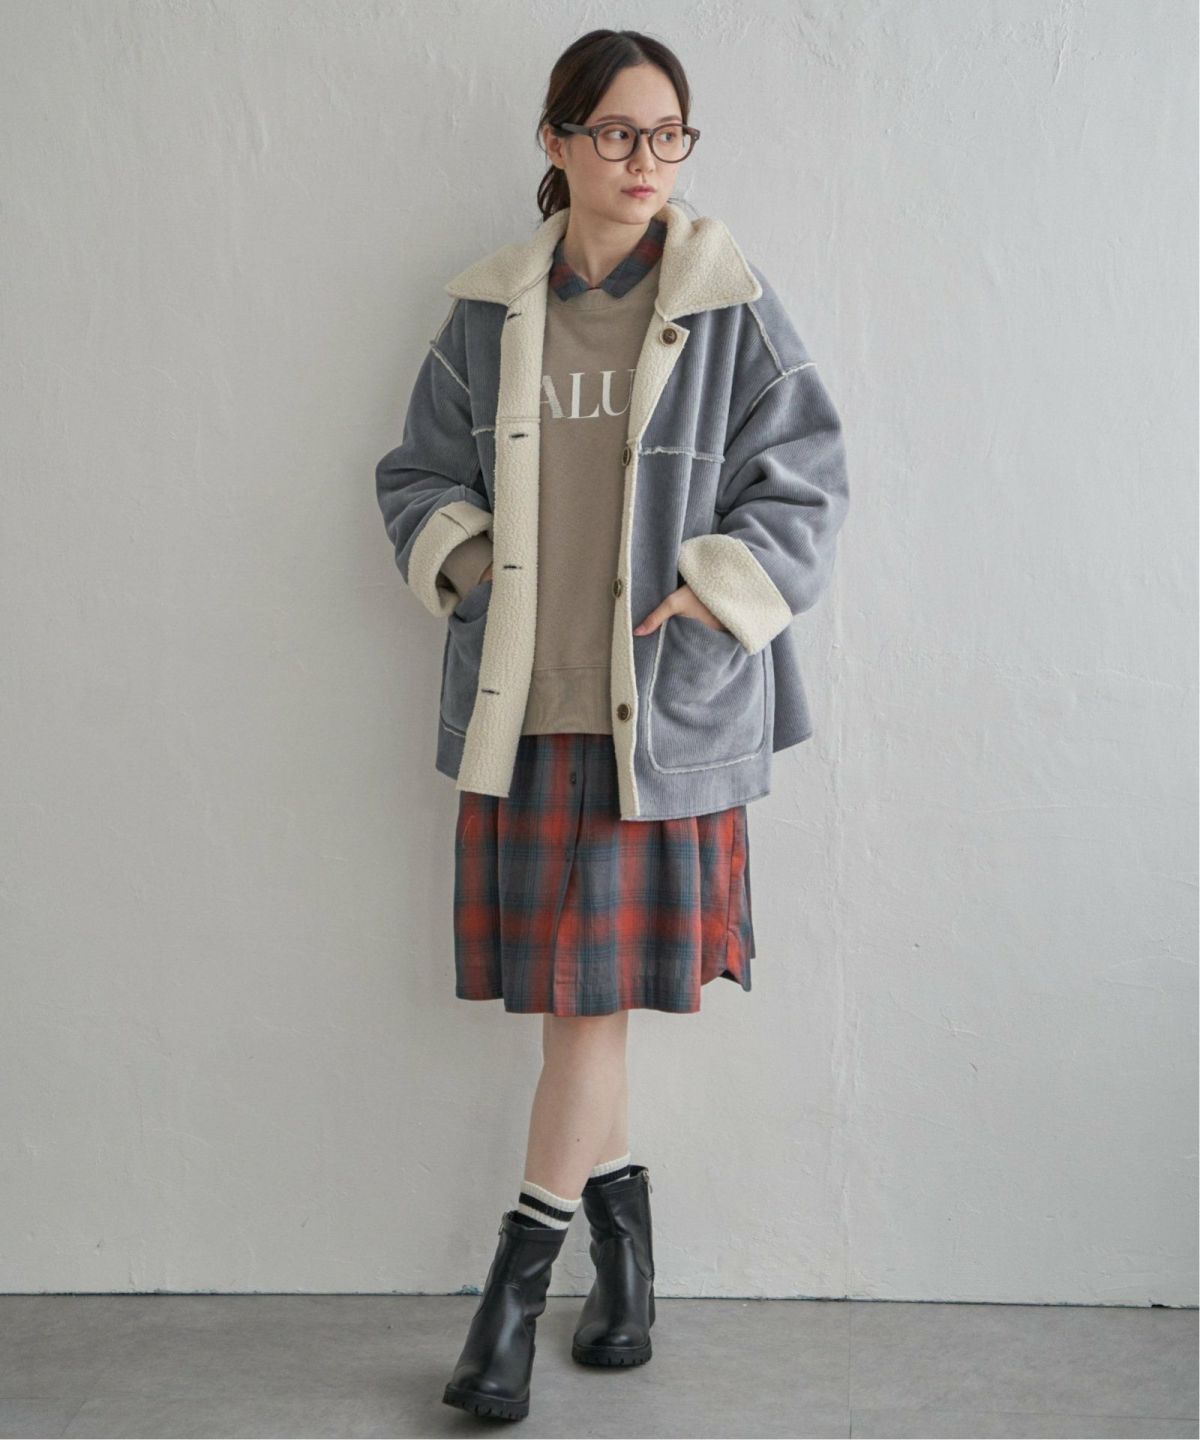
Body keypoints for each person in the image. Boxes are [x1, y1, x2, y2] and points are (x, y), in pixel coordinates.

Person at [375, 27, 850, 1423]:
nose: (647, 161)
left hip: (663, 721)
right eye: (618, 133)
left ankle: (512, 1300)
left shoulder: (726, 304)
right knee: (585, 1011)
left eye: (668, 135)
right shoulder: (489, 314)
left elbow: (808, 478)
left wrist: (715, 589)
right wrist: (476, 576)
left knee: (586, 1017)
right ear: (558, 141)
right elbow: (415, 476)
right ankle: (627, 1270)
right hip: (528, 714)